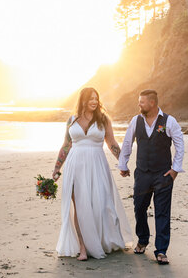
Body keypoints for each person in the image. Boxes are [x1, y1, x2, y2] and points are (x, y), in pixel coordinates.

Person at [53, 87, 132, 260]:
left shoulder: (103, 119)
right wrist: (57, 168)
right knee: (79, 207)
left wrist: (122, 163)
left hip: (97, 166)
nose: (94, 102)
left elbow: (111, 143)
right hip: (75, 166)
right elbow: (66, 145)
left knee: (102, 204)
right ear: (82, 100)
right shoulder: (72, 121)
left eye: (96, 98)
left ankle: (101, 240)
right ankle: (82, 247)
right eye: (91, 99)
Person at [118, 89, 185, 265]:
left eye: (142, 102)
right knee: (139, 207)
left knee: (162, 212)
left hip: (163, 175)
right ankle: (142, 239)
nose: (139, 104)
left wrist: (175, 169)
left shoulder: (169, 121)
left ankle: (161, 250)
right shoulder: (136, 121)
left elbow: (180, 145)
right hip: (142, 174)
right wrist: (123, 164)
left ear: (152, 103)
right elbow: (127, 142)